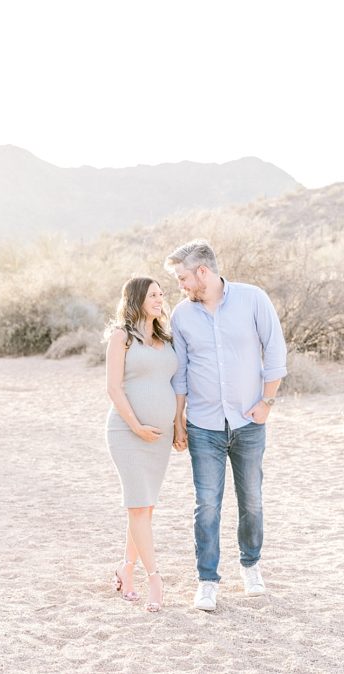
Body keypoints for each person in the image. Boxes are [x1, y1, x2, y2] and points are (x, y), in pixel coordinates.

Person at [166, 240, 287, 611]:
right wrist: (178, 420)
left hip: (248, 422)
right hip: (203, 425)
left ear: (203, 272)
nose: (181, 286)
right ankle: (207, 581)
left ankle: (251, 566)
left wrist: (267, 402)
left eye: (183, 278)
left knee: (251, 499)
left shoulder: (253, 299)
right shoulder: (181, 315)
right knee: (207, 504)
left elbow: (276, 350)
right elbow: (181, 373)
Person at [104, 276, 179, 613]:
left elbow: (175, 383)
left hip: (158, 440)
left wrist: (177, 425)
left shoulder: (165, 337)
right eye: (152, 295)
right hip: (127, 434)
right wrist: (137, 427)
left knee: (145, 508)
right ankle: (155, 578)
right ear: (135, 298)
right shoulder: (122, 337)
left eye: (162, 294)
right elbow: (114, 388)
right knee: (137, 506)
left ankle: (126, 569)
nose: (160, 299)